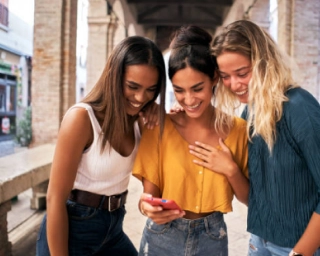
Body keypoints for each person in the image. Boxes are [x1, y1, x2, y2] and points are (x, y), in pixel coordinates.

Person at [189, 20, 320, 256]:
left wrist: (301, 252)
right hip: (258, 243)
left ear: (265, 63)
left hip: (301, 247)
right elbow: (255, 200)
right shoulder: (250, 112)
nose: (234, 85)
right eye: (226, 76)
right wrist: (231, 170)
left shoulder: (300, 108)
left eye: (242, 73)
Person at [36, 35, 167, 256]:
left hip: (113, 227)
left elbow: (153, 181)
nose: (140, 97)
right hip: (73, 228)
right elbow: (55, 198)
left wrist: (157, 118)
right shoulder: (82, 119)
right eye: (132, 86)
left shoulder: (139, 121)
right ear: (113, 77)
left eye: (150, 89)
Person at [132, 25, 249, 256]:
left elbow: (248, 198)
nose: (189, 99)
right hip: (161, 237)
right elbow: (148, 197)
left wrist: (230, 169)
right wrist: (146, 207)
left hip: (213, 238)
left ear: (214, 78)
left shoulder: (238, 130)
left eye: (197, 88)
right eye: (179, 90)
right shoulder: (158, 128)